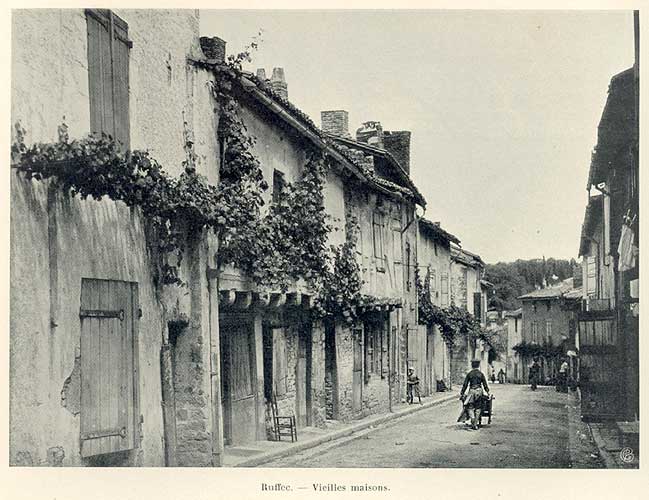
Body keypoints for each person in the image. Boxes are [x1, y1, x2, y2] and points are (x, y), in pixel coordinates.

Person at [458, 360, 490, 430]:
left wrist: (462, 392)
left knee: (470, 406)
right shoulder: (481, 374)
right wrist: (488, 392)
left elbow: (465, 385)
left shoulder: (470, 374)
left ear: (472, 365)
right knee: (478, 407)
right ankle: (475, 424)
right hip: (479, 391)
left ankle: (472, 419)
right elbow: (485, 384)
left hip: (472, 391)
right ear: (478, 365)